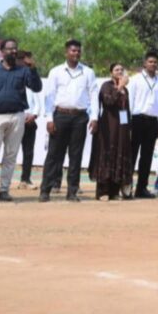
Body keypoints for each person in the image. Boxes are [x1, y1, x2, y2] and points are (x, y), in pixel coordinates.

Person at [0, 38, 42, 202]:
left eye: (15, 48)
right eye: (10, 48)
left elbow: (37, 87)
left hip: (17, 117)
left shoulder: (23, 70)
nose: (13, 51)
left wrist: (32, 68)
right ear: (2, 51)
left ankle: (4, 190)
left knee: (10, 156)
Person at [41, 39, 99, 203]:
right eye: (73, 51)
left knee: (76, 155)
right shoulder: (56, 71)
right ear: (66, 52)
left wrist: (94, 117)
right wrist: (49, 118)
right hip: (60, 115)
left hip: (80, 117)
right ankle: (45, 190)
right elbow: (49, 96)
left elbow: (94, 95)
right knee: (54, 154)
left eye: (78, 51)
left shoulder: (88, 72)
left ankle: (72, 191)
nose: (76, 53)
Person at [88, 63, 134, 201]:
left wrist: (127, 128)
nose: (119, 71)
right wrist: (119, 87)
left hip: (121, 127)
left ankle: (114, 191)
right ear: (111, 72)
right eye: (116, 69)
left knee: (119, 154)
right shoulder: (106, 86)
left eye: (121, 69)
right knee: (106, 154)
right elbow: (108, 102)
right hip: (108, 125)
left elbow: (126, 110)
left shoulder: (125, 90)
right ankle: (103, 191)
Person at [126, 51, 158, 199]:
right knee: (131, 154)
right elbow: (129, 102)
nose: (153, 64)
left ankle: (141, 188)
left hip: (152, 121)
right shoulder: (135, 80)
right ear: (144, 63)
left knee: (147, 156)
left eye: (155, 62)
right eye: (150, 62)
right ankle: (127, 187)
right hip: (137, 119)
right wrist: (128, 124)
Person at [17, 50, 43, 189]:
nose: (28, 64)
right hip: (14, 120)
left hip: (29, 122)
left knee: (28, 152)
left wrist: (34, 115)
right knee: (9, 151)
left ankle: (25, 180)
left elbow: (38, 103)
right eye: (25, 61)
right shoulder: (13, 76)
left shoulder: (31, 80)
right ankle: (4, 181)